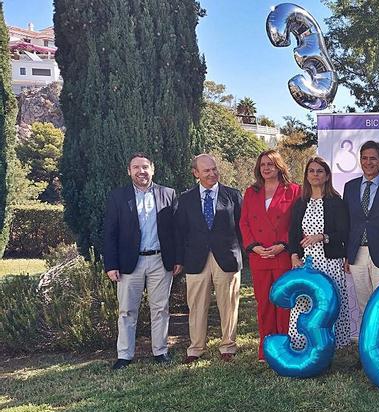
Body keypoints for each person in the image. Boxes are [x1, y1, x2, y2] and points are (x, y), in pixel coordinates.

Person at [103, 153, 178, 370]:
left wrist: (177, 259)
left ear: (152, 170)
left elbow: (176, 231)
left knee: (161, 309)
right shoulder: (118, 197)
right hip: (129, 263)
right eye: (136, 167)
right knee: (127, 311)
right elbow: (110, 233)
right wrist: (111, 265)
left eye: (145, 167)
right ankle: (124, 355)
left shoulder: (168, 194)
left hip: (159, 261)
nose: (141, 171)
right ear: (129, 171)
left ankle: (160, 351)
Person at [175, 154, 244, 364]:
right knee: (196, 305)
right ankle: (196, 348)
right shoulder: (185, 199)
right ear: (196, 173)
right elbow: (180, 232)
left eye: (214, 169)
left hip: (227, 258)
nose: (212, 173)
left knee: (229, 304)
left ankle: (228, 346)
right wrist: (179, 259)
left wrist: (244, 254)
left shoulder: (233, 195)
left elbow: (243, 227)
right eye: (206, 170)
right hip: (196, 259)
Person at [240, 150, 301, 361]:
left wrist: (283, 244)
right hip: (259, 256)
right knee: (264, 303)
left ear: (279, 166)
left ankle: (285, 346)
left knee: (284, 303)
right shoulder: (251, 192)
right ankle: (265, 348)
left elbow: (296, 223)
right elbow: (244, 222)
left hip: (282, 255)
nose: (266, 168)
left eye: (271, 164)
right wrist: (253, 246)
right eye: (263, 164)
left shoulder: (293, 190)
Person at [288, 156, 352, 350]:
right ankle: (302, 343)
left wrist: (321, 237)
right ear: (306, 175)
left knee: (329, 303)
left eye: (319, 171)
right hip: (307, 263)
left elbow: (343, 232)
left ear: (327, 176)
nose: (315, 175)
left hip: (330, 261)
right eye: (311, 171)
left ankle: (331, 344)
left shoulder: (336, 202)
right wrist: (293, 255)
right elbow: (293, 232)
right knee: (303, 302)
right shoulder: (300, 202)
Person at [343, 141, 379, 318]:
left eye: (373, 159)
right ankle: (366, 344)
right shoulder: (350, 187)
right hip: (357, 253)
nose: (368, 162)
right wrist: (347, 254)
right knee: (363, 303)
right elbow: (347, 223)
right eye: (364, 158)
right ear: (360, 160)